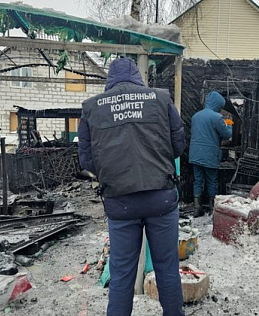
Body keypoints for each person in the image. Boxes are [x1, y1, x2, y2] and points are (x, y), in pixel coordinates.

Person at [78, 57, 186, 316]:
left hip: (120, 201)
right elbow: (178, 144)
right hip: (160, 197)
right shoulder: (160, 99)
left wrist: (111, 174)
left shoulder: (92, 107)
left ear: (109, 78)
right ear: (137, 76)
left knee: (121, 275)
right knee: (167, 269)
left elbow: (86, 159)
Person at [189, 91, 233, 216]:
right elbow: (227, 135)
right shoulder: (217, 118)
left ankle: (197, 208)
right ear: (218, 105)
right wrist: (228, 124)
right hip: (210, 155)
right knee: (212, 181)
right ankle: (212, 209)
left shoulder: (195, 116)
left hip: (195, 154)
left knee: (198, 180)